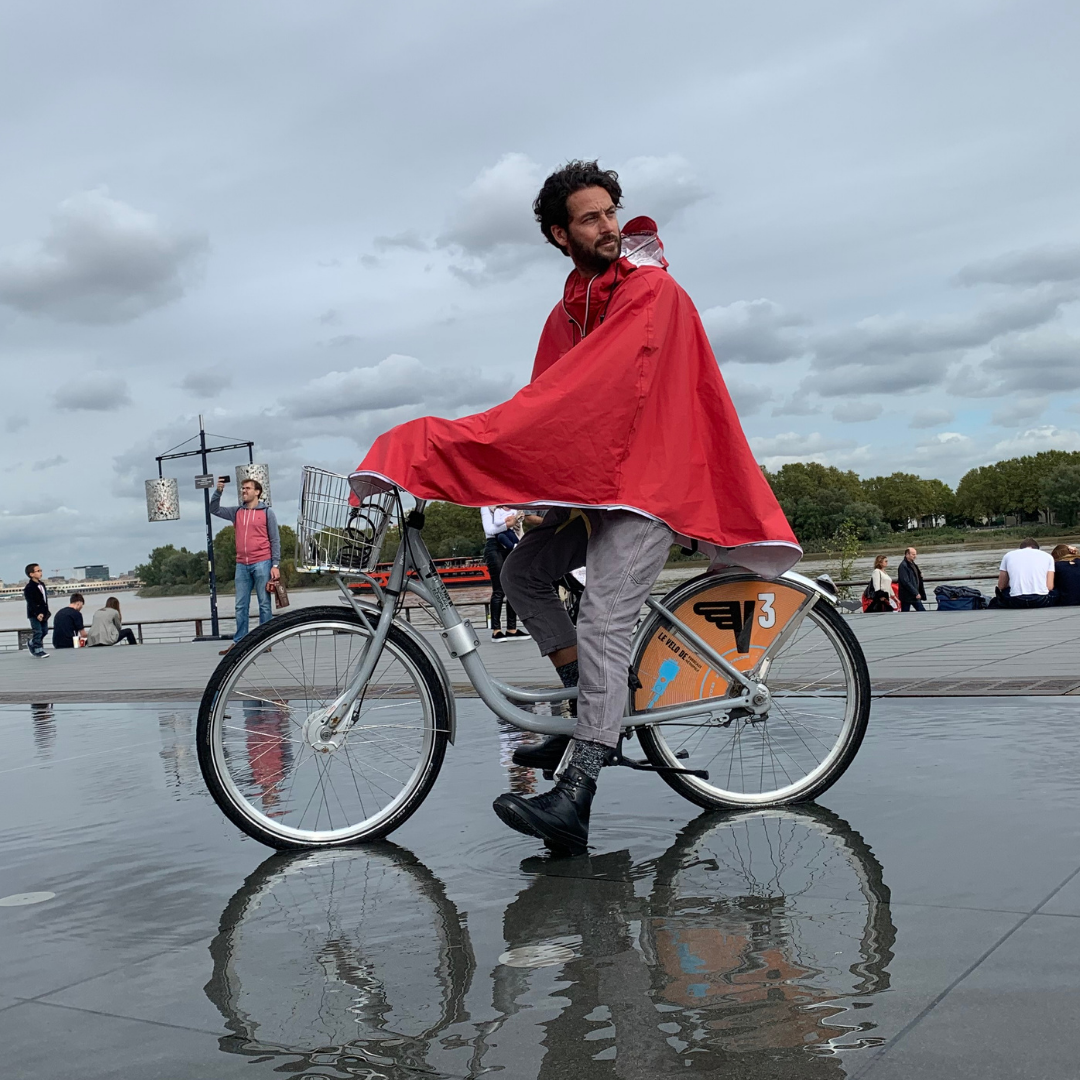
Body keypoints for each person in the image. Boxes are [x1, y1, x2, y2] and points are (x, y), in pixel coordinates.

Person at [349, 160, 800, 855]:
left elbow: (591, 398)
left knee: (606, 619)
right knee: (522, 574)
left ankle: (581, 786)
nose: (608, 227)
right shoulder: (571, 310)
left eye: (611, 213)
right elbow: (550, 406)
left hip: (653, 484)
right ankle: (586, 700)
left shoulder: (651, 292)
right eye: (590, 219)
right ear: (560, 234)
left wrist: (452, 445)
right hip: (604, 486)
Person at [211, 476, 281, 653]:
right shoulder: (236, 512)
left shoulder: (267, 513)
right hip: (241, 564)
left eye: (248, 488)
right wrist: (218, 491)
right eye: (242, 489)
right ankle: (240, 641)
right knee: (241, 605)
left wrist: (275, 565)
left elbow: (275, 540)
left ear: (257, 492)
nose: (244, 491)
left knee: (264, 603)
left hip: (263, 562)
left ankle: (264, 641)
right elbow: (214, 509)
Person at [480, 506, 530, 641]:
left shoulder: (510, 505)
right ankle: (496, 631)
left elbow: (518, 528)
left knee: (512, 587)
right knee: (499, 589)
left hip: (511, 543)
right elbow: (489, 530)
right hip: (494, 546)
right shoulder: (486, 507)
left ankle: (511, 629)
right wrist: (509, 524)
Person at [995, 538, 1055, 608]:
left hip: (1016, 601)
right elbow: (1049, 587)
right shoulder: (1048, 556)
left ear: (1021, 548)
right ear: (1037, 549)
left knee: (1006, 592)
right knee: (1056, 592)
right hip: (1040, 601)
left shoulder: (1008, 555)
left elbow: (1001, 586)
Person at [22, 563, 50, 659]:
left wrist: (45, 612)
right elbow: (31, 603)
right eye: (38, 571)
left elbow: (44, 600)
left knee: (45, 631)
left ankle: (32, 643)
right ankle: (38, 650)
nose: (40, 572)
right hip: (34, 614)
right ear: (31, 574)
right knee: (38, 632)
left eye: (40, 570)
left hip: (44, 613)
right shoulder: (29, 588)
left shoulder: (41, 584)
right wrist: (37, 613)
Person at [897, 547, 927, 612]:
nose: (915, 556)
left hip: (912, 594)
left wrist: (920, 575)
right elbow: (905, 581)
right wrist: (915, 592)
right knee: (920, 611)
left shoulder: (912, 564)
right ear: (907, 554)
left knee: (906, 611)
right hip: (908, 595)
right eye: (913, 554)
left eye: (915, 554)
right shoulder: (903, 566)